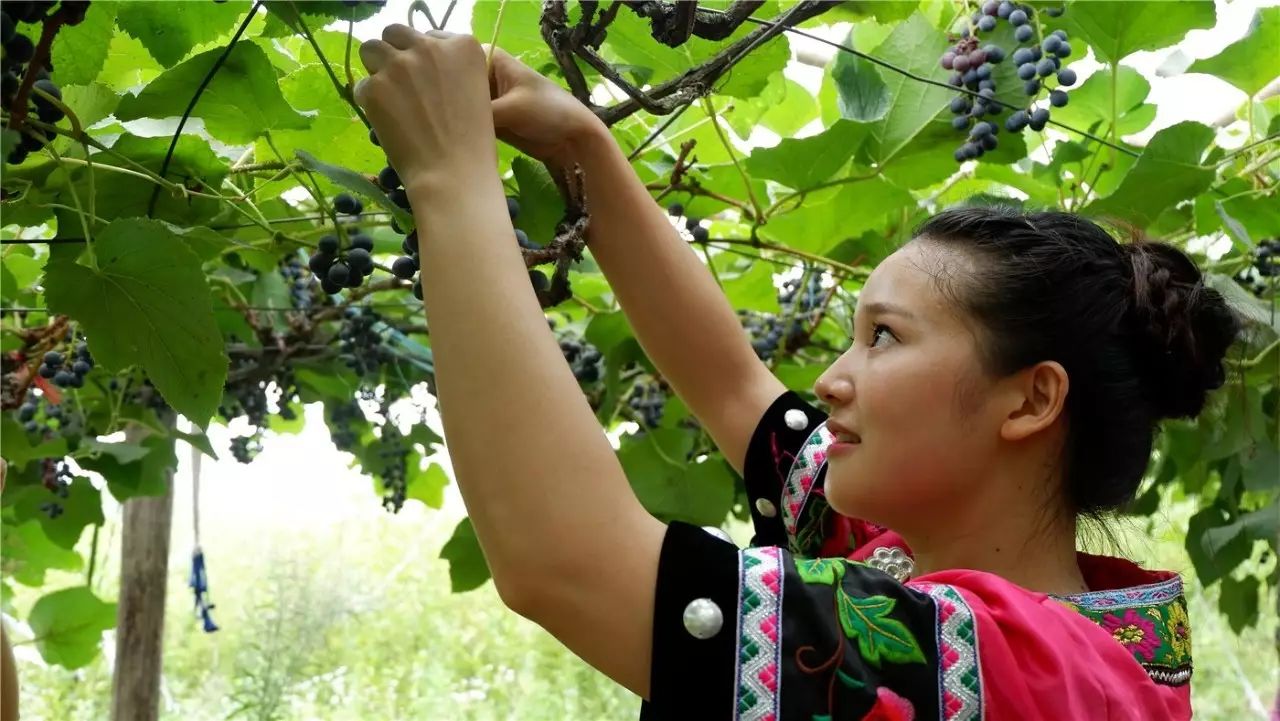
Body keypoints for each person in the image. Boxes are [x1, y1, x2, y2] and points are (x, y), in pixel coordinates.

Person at [353, 26, 1241, 720]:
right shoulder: (914, 555)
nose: (829, 379)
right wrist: (584, 145)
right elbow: (734, 383)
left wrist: (449, 176)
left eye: (885, 337)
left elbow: (563, 559)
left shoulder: (1027, 671)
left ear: (1031, 398)